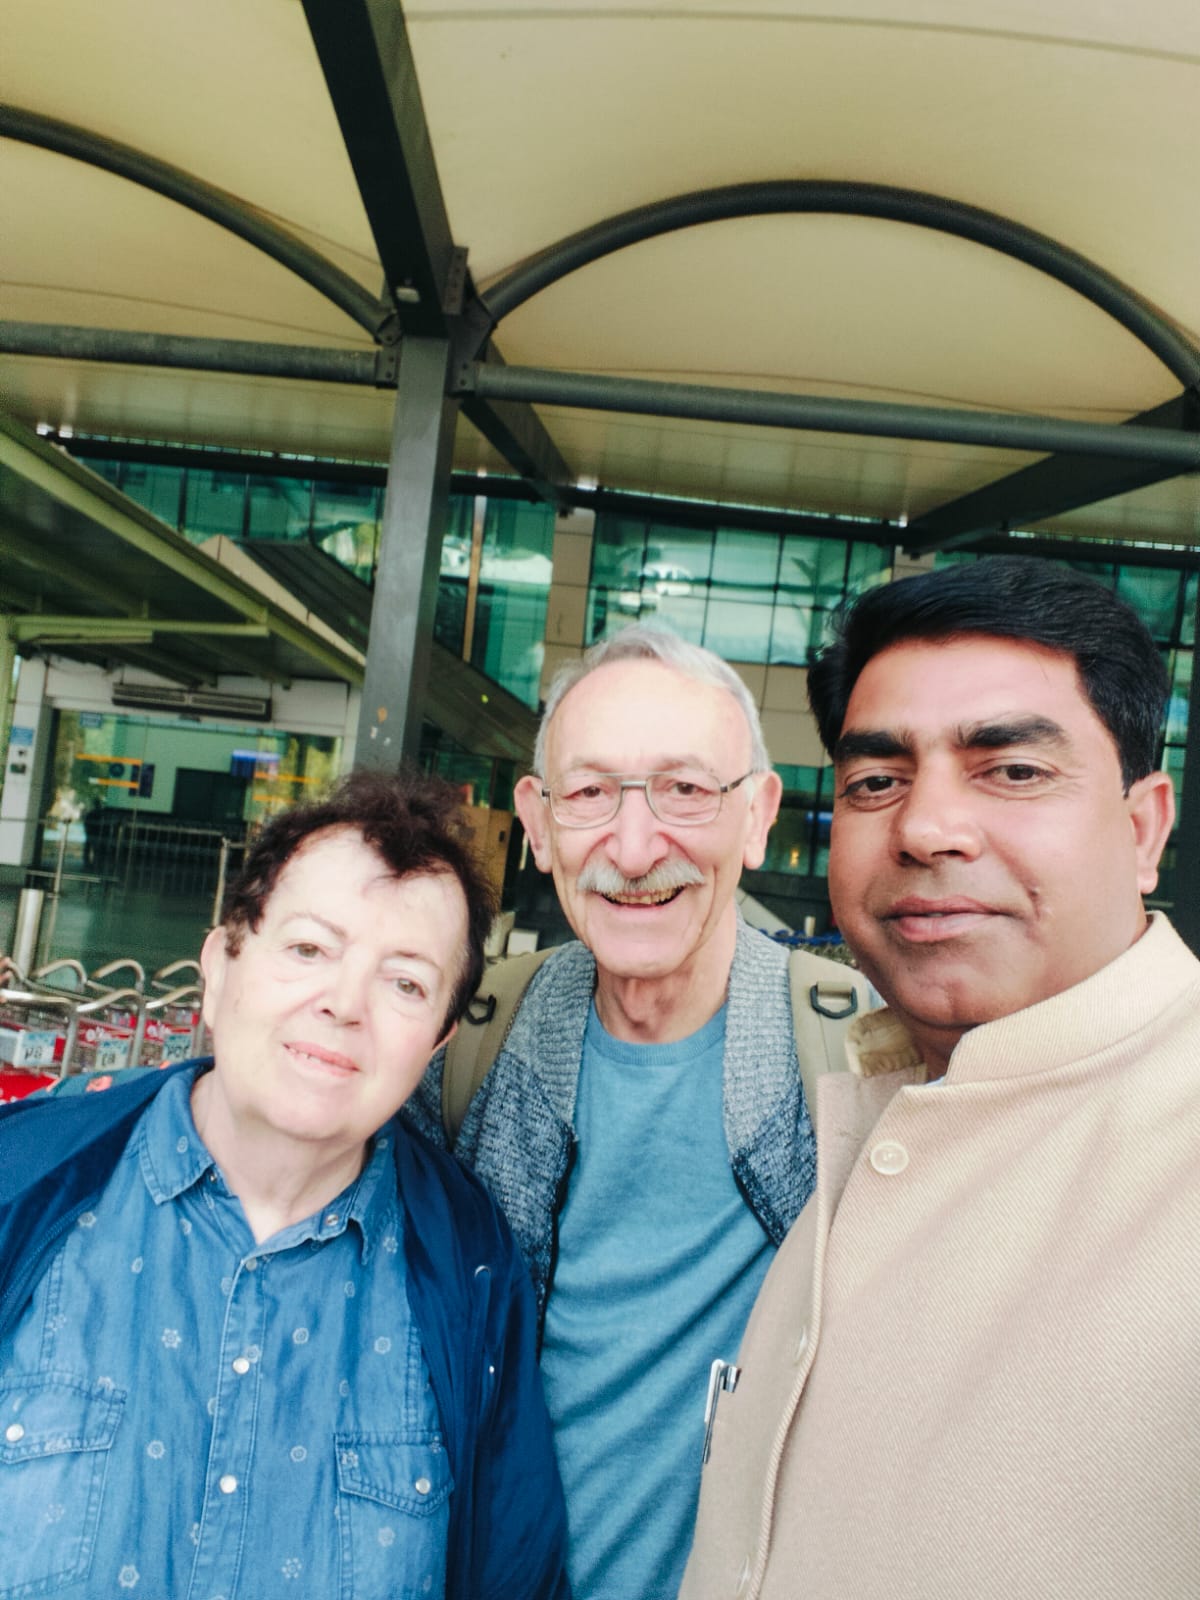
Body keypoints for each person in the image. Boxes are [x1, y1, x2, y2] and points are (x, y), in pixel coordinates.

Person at [681, 555, 1200, 1600]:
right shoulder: (877, 1098)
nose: (924, 829)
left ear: (1144, 827)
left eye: (1013, 771)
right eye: (877, 782)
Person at [0, 769, 569, 1600]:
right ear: (220, 963)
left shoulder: (473, 1272)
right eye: (309, 949)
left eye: (405, 983)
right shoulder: (23, 1179)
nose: (344, 1003)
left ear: (438, 1042)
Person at [404, 625, 873, 1600]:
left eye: (686, 789)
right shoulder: (458, 1046)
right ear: (538, 824)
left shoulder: (862, 1063)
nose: (632, 846)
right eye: (588, 794)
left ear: (758, 816)